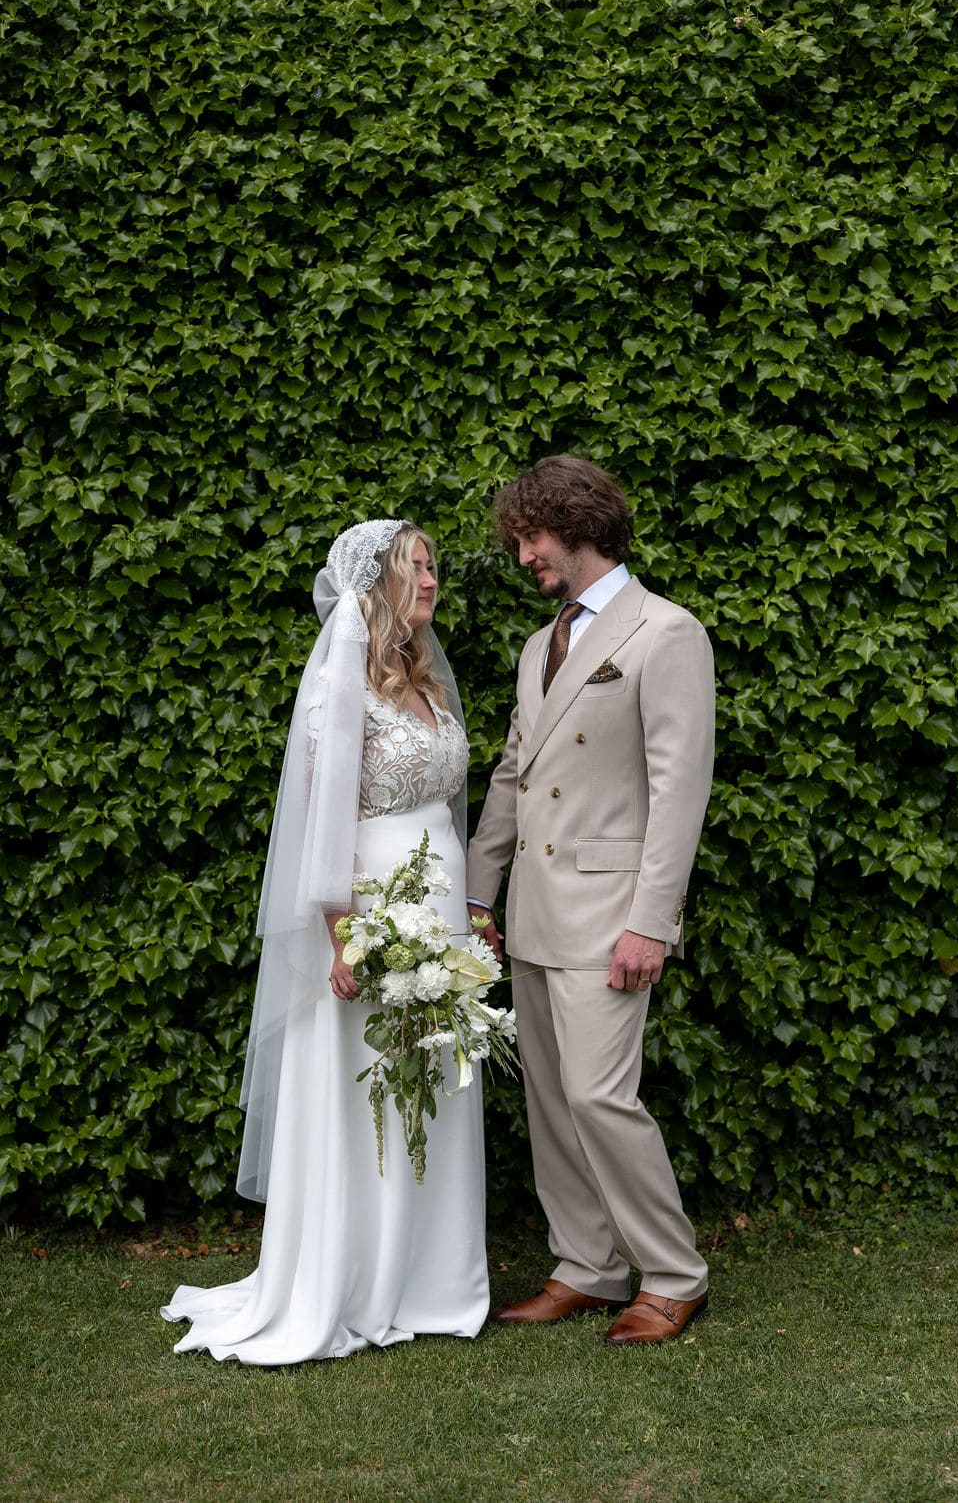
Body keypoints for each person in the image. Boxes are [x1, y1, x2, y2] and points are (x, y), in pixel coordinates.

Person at [162, 520, 488, 1362]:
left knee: (430, 1083)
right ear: (379, 582)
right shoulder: (340, 688)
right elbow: (320, 824)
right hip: (374, 911)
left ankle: (432, 1277)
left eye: (433, 566)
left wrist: (469, 906)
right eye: (417, 567)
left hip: (440, 908)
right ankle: (355, 1275)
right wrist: (345, 939)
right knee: (367, 1090)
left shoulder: (429, 684)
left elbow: (451, 808)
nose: (430, 580)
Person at [466, 456, 715, 1347]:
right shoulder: (541, 644)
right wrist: (475, 892)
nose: (524, 554)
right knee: (552, 1101)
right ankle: (589, 1264)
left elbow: (679, 787)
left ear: (577, 524)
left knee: (602, 1095)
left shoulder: (666, 632)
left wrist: (653, 918)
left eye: (530, 537)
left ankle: (675, 1273)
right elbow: (512, 775)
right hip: (533, 908)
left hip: (613, 914)